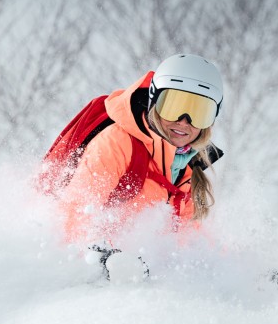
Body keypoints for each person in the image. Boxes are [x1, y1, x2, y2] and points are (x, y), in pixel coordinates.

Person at [55, 54, 224, 272]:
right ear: (155, 101)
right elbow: (75, 212)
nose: (184, 120)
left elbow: (191, 243)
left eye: (198, 112)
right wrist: (103, 260)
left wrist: (238, 273)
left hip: (139, 280)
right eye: (173, 106)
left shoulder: (188, 170)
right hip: (95, 277)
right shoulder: (118, 143)